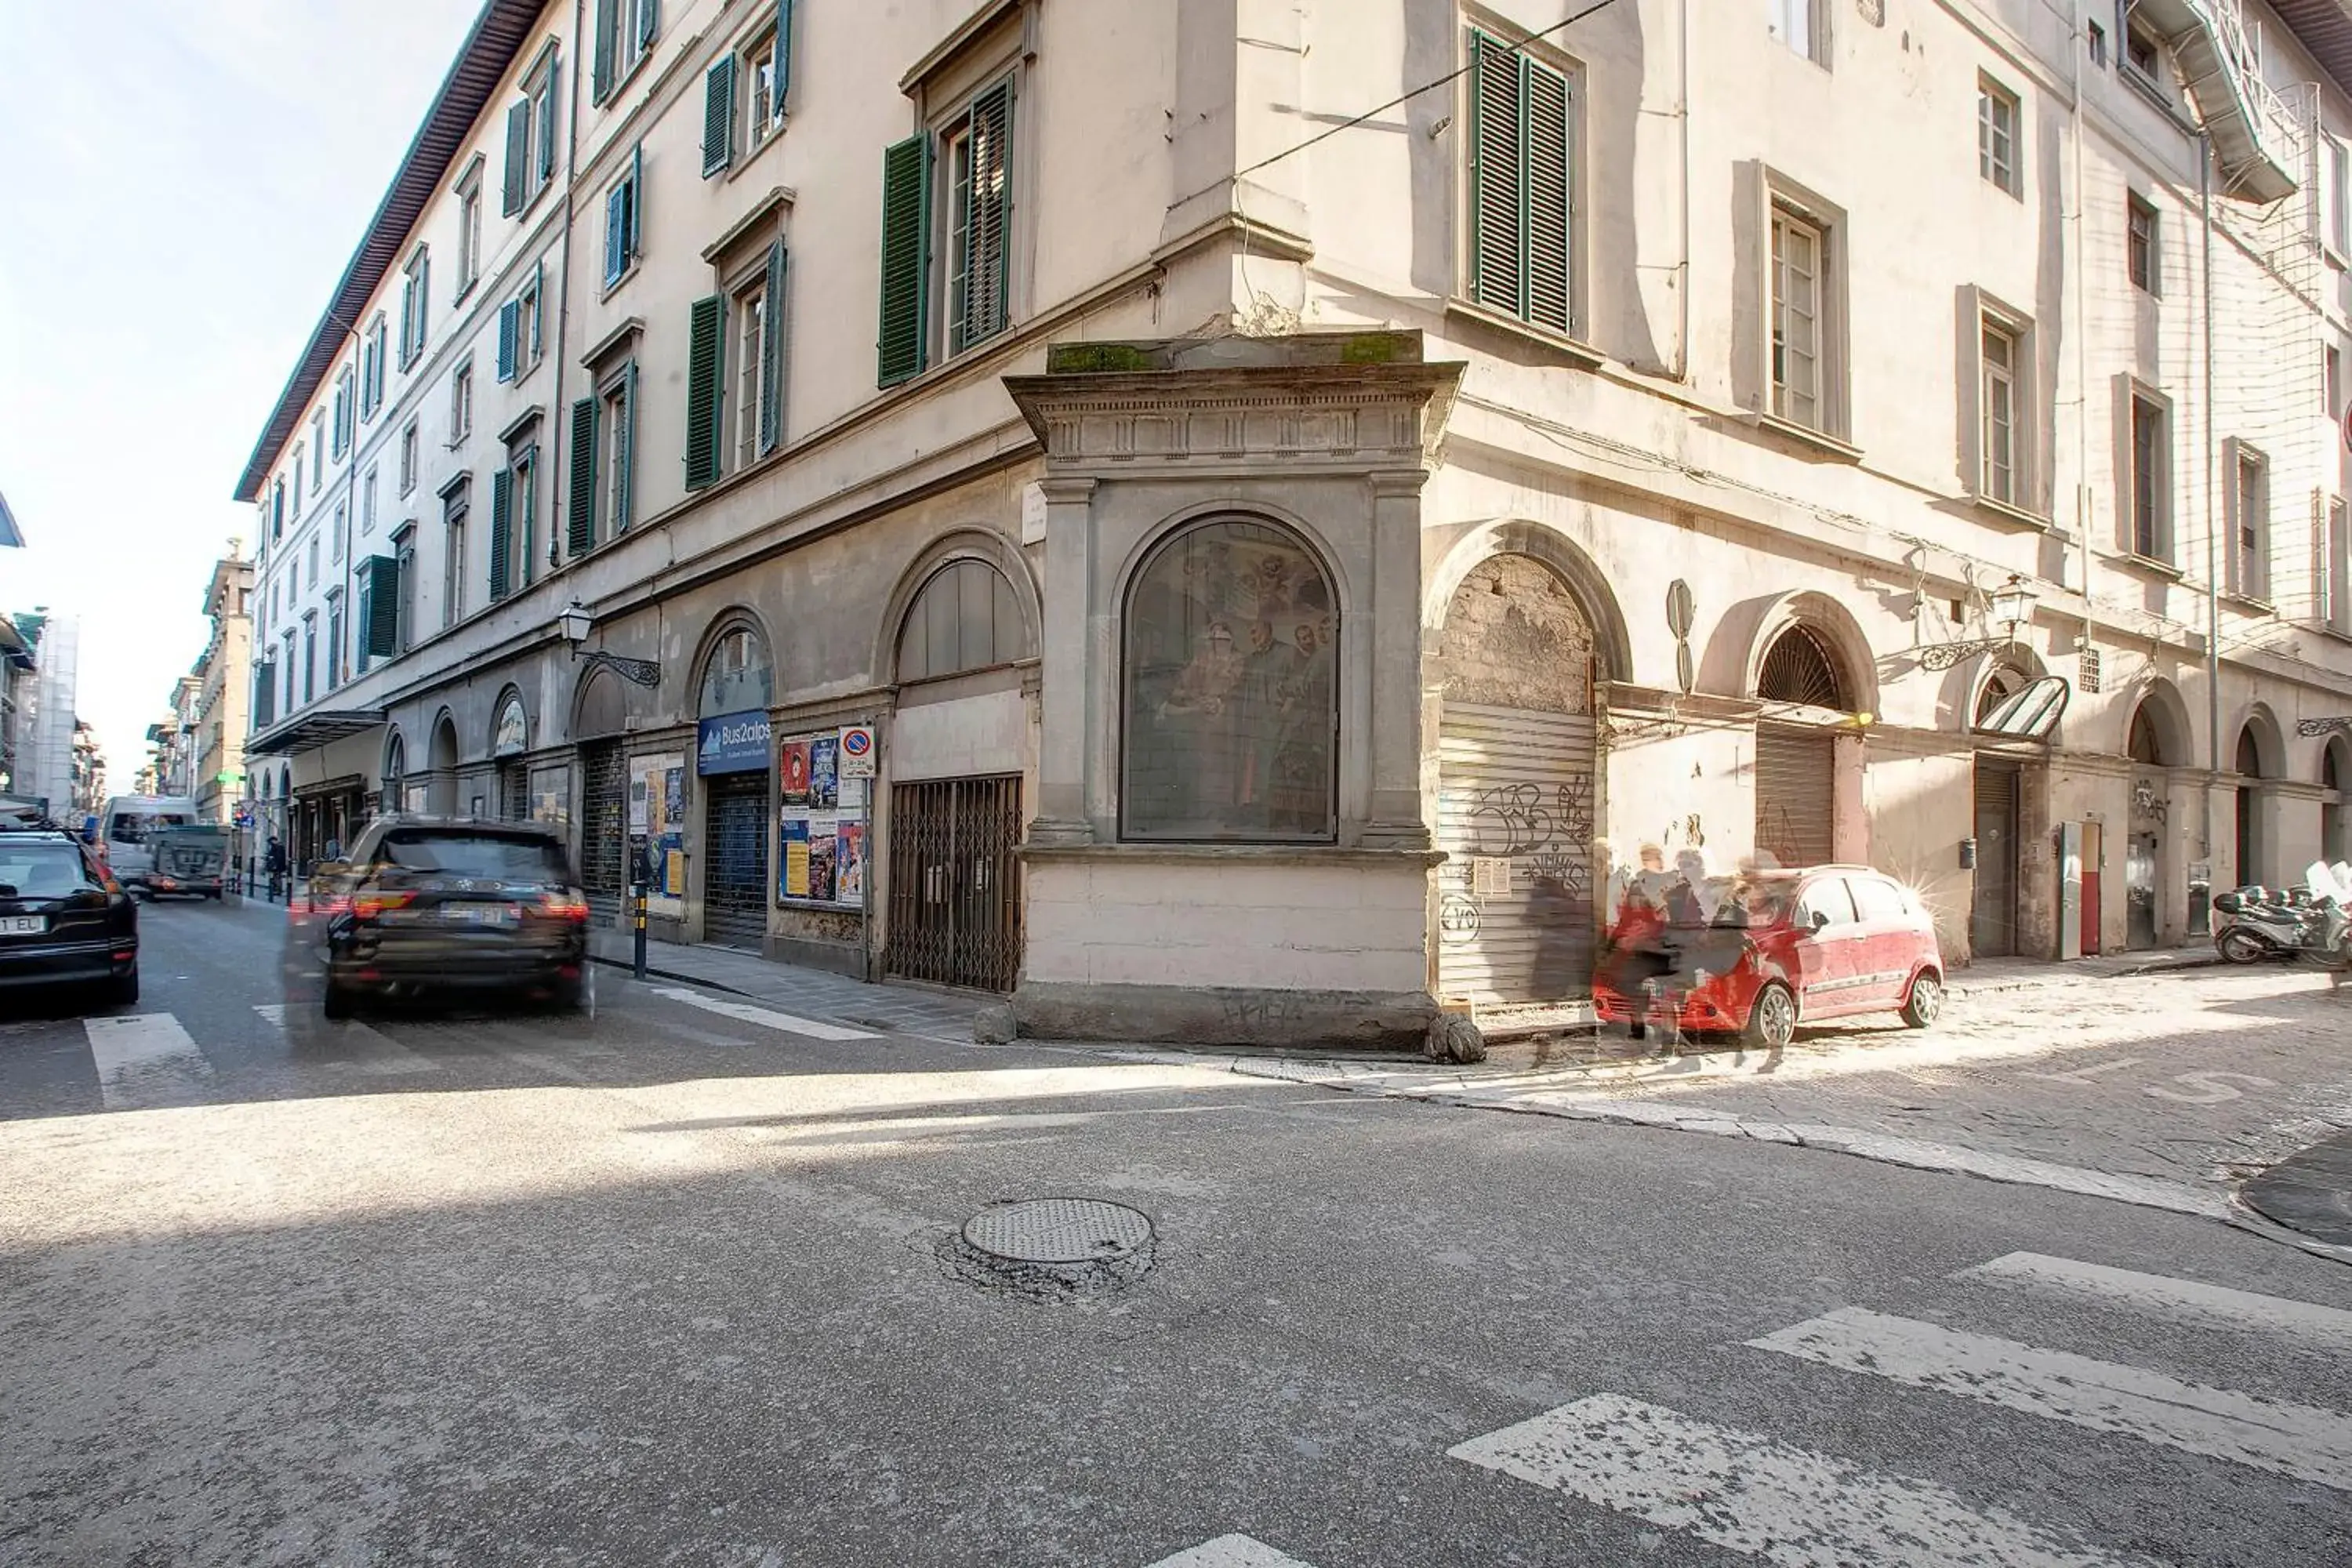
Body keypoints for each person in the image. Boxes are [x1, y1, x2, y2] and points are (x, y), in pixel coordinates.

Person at [264, 835, 288, 901]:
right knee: (274, 878)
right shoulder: (276, 846)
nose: (270, 844)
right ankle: (274, 890)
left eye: (271, 842)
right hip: (275, 865)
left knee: (277, 878)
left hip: (277, 866)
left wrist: (275, 863)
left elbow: (279, 857)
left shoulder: (279, 847)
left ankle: (278, 890)